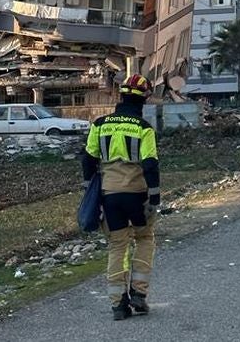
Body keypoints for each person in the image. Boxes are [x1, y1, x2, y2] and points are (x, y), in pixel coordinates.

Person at [82, 74, 159, 319]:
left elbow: (88, 159)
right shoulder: (143, 128)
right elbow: (149, 165)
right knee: (144, 238)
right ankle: (139, 293)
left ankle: (118, 304)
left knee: (117, 245)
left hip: (109, 195)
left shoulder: (100, 124)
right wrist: (155, 198)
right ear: (143, 99)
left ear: (121, 95)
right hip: (136, 195)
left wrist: (90, 188)